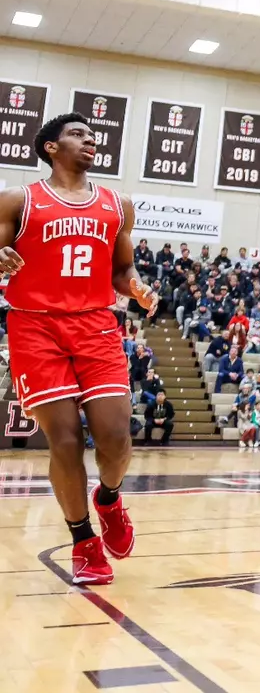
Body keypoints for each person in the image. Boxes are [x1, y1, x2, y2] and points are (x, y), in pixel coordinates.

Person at [0, 113, 157, 584]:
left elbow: (121, 272)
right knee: (65, 439)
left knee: (116, 438)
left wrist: (137, 288)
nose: (90, 140)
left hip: (95, 325)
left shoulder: (116, 205)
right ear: (50, 147)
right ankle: (84, 542)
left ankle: (108, 499)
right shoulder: (18, 200)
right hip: (35, 326)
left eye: (92, 135)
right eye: (77, 134)